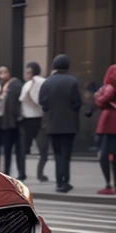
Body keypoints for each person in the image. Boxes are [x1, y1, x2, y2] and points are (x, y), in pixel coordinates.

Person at [40, 54, 82, 193]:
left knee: (57, 153)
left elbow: (43, 102)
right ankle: (66, 181)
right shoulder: (72, 81)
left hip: (53, 123)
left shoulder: (47, 82)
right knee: (67, 153)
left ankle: (59, 181)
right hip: (69, 124)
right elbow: (77, 103)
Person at [0, 66, 24, 177]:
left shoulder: (14, 84)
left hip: (9, 122)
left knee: (8, 149)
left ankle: (7, 171)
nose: (2, 75)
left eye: (4, 72)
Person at [20, 62, 48, 181]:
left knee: (24, 149)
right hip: (40, 118)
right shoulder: (44, 82)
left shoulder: (28, 84)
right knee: (43, 150)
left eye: (28, 72)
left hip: (29, 119)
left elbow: (21, 99)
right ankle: (40, 174)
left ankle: (22, 173)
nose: (26, 74)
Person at [92, 63, 116, 195]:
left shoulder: (109, 88)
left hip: (108, 123)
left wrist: (98, 96)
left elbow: (100, 101)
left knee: (104, 156)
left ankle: (108, 184)